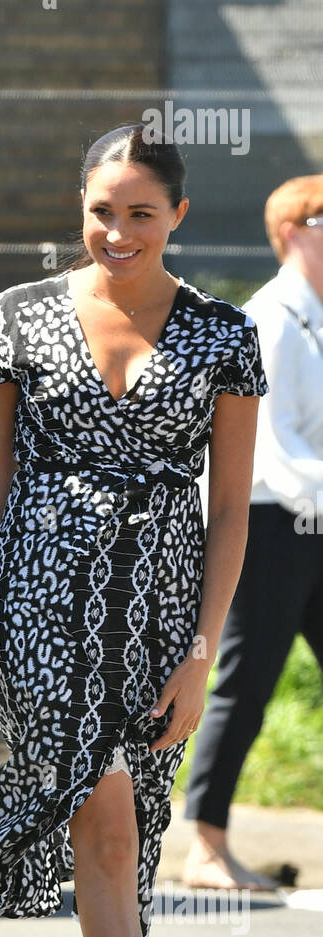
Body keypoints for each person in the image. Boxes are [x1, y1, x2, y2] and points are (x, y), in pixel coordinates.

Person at [0, 125, 267, 937]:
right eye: (98, 209)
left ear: (175, 214)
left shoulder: (222, 335)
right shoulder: (16, 317)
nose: (115, 230)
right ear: (76, 208)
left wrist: (200, 651)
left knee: (117, 859)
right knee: (108, 813)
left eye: (139, 211)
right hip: (38, 607)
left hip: (161, 622)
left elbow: (230, 515)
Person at [183, 174, 323, 889]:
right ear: (291, 232)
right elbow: (273, 446)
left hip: (313, 522)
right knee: (244, 682)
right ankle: (205, 847)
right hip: (269, 526)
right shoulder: (268, 318)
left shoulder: (315, 319)